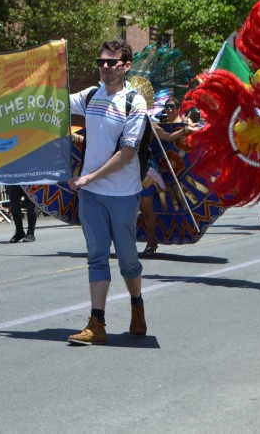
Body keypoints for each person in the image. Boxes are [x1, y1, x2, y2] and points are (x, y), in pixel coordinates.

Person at [65, 40, 148, 346]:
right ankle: (96, 322)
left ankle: (137, 305)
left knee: (128, 260)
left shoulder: (134, 103)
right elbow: (52, 102)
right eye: (101, 62)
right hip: (92, 195)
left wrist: (89, 177)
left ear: (126, 66)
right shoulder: (89, 96)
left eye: (112, 62)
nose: (104, 67)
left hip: (124, 194)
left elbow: (128, 153)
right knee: (97, 256)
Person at [138, 98, 199, 257]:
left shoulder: (149, 124)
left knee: (145, 209)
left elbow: (167, 137)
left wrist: (185, 130)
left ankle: (151, 241)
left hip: (145, 172)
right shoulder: (120, 123)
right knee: (127, 210)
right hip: (124, 172)